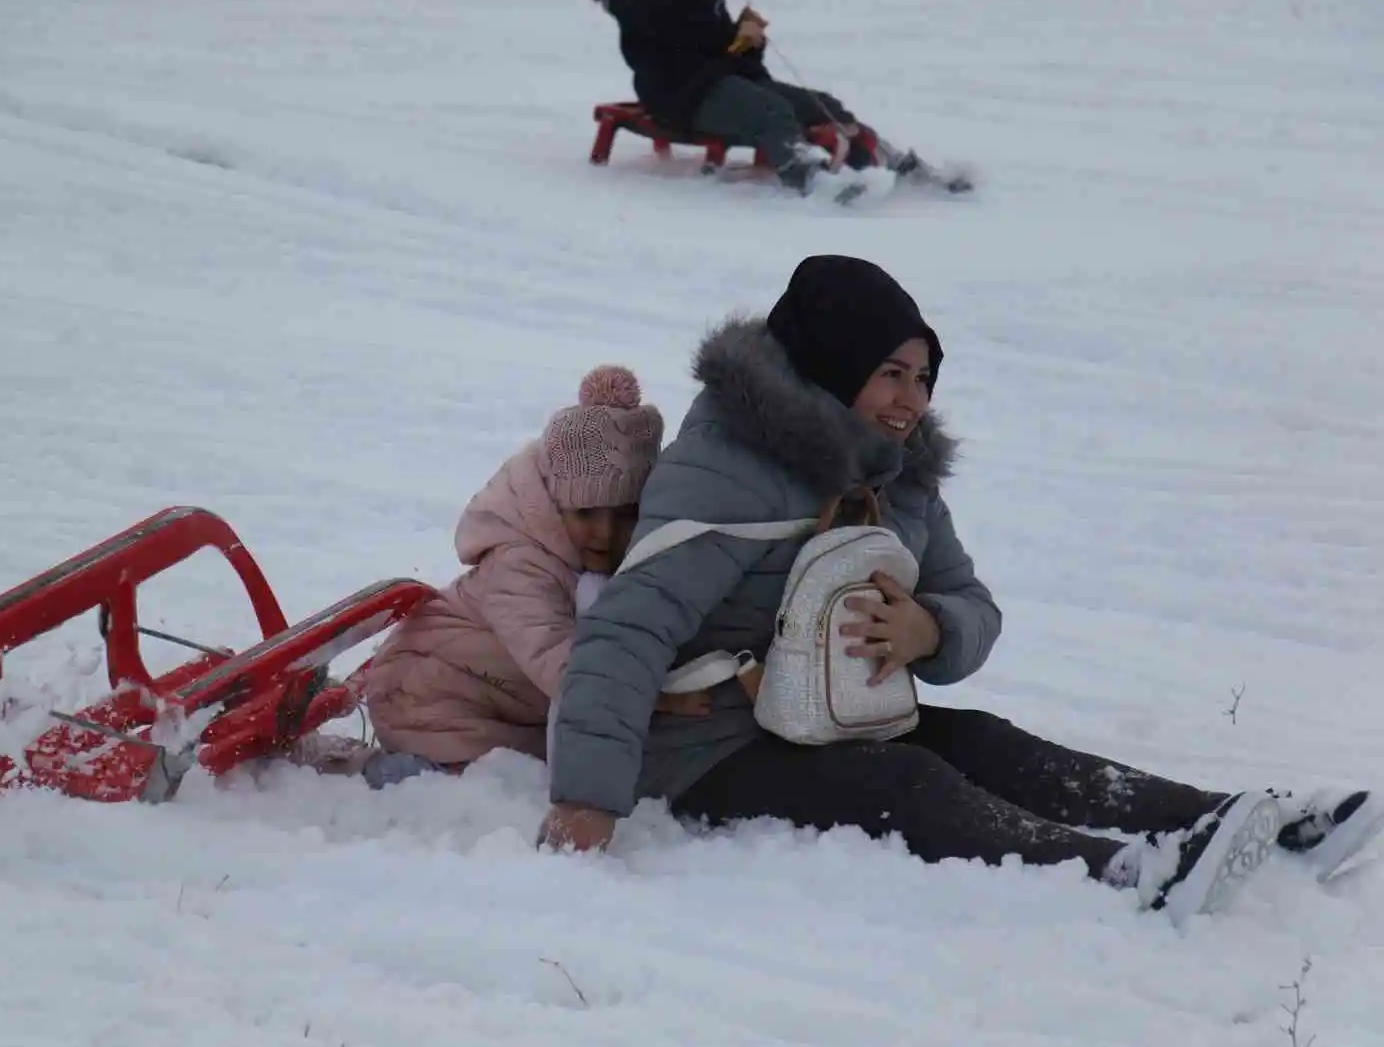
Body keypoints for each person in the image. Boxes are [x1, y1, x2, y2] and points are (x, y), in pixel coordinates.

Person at [540, 255, 1376, 919]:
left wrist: (929, 632)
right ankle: (1122, 873)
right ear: (833, 364)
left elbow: (972, 603)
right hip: (703, 750)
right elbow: (629, 630)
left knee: (982, 740)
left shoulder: (894, 473)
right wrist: (587, 798)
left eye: (924, 376)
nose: (912, 401)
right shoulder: (727, 467)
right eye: (892, 374)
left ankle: (1229, 821)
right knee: (905, 782)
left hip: (823, 715)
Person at [336, 365, 708, 789]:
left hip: (503, 701)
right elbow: (558, 660)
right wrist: (651, 698)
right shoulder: (520, 566)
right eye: (585, 513)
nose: (604, 533)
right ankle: (368, 774)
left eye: (625, 515)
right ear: (553, 502)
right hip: (428, 702)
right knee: (489, 784)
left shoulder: (586, 559)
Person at [592, 0, 925, 195]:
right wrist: (730, 41)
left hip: (716, 82)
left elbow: (735, 63)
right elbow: (685, 54)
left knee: (822, 106)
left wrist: (747, 42)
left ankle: (882, 164)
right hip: (681, 93)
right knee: (771, 112)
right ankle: (813, 182)